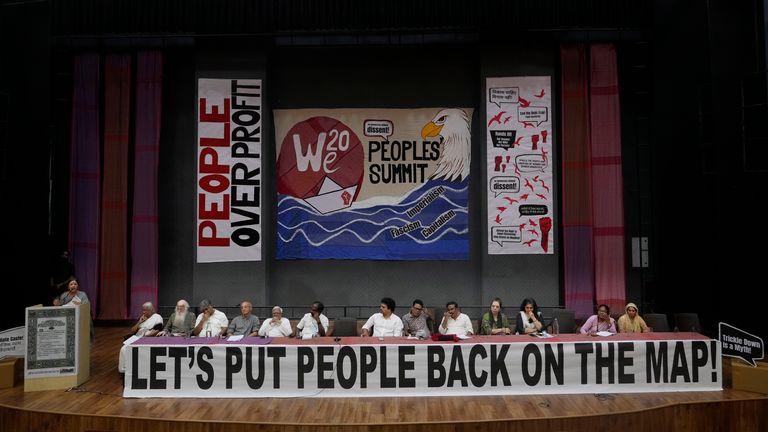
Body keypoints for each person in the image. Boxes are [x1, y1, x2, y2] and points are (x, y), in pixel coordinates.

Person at [118, 302, 164, 373]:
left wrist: (146, 335)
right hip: (136, 337)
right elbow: (132, 330)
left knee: (125, 349)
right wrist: (139, 322)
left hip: (147, 338)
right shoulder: (142, 318)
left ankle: (130, 368)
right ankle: (124, 368)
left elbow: (157, 330)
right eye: (143, 310)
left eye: (146, 310)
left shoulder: (157, 317)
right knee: (124, 349)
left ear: (151, 310)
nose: (143, 312)